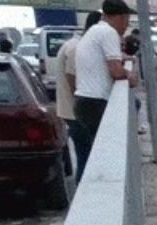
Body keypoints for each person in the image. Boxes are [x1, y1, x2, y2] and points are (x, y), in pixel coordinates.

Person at [74, 0, 138, 177]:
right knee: (108, 157)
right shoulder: (108, 33)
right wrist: (130, 75)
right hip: (95, 103)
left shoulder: (94, 31)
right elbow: (116, 71)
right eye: (127, 20)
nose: (126, 26)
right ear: (121, 17)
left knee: (97, 155)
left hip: (84, 102)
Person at [59, 13, 100, 182]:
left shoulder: (76, 45)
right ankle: (86, 196)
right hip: (76, 113)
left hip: (75, 112)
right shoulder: (77, 48)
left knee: (85, 154)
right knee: (86, 156)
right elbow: (72, 78)